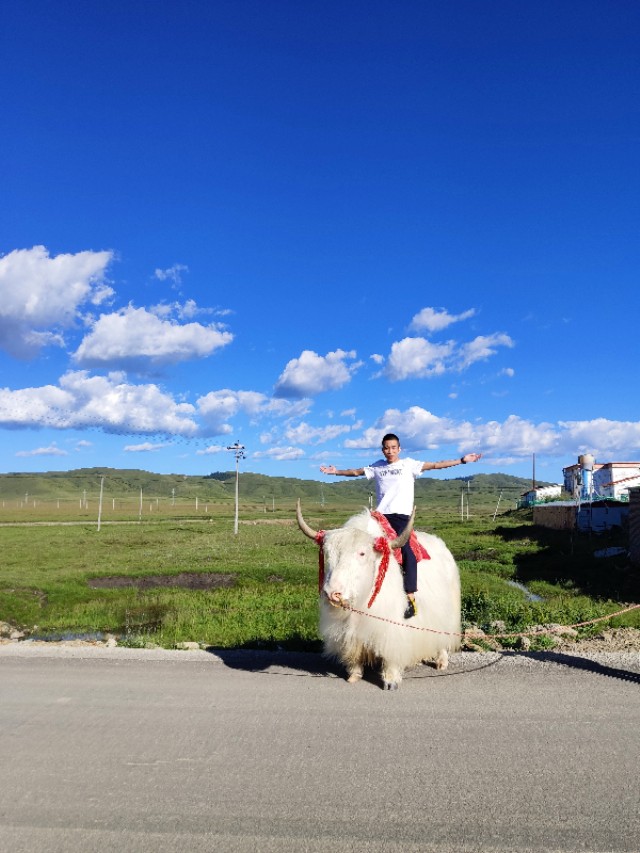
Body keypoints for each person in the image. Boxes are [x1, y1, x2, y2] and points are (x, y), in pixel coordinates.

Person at [320, 434, 482, 618]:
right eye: (386, 448)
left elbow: (435, 465)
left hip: (401, 517)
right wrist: (335, 472)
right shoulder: (378, 466)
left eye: (393, 447)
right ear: (383, 450)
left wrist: (462, 460)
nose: (390, 451)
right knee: (358, 549)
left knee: (407, 551)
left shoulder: (409, 464)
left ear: (399, 449)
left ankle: (410, 596)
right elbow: (356, 472)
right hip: (380, 517)